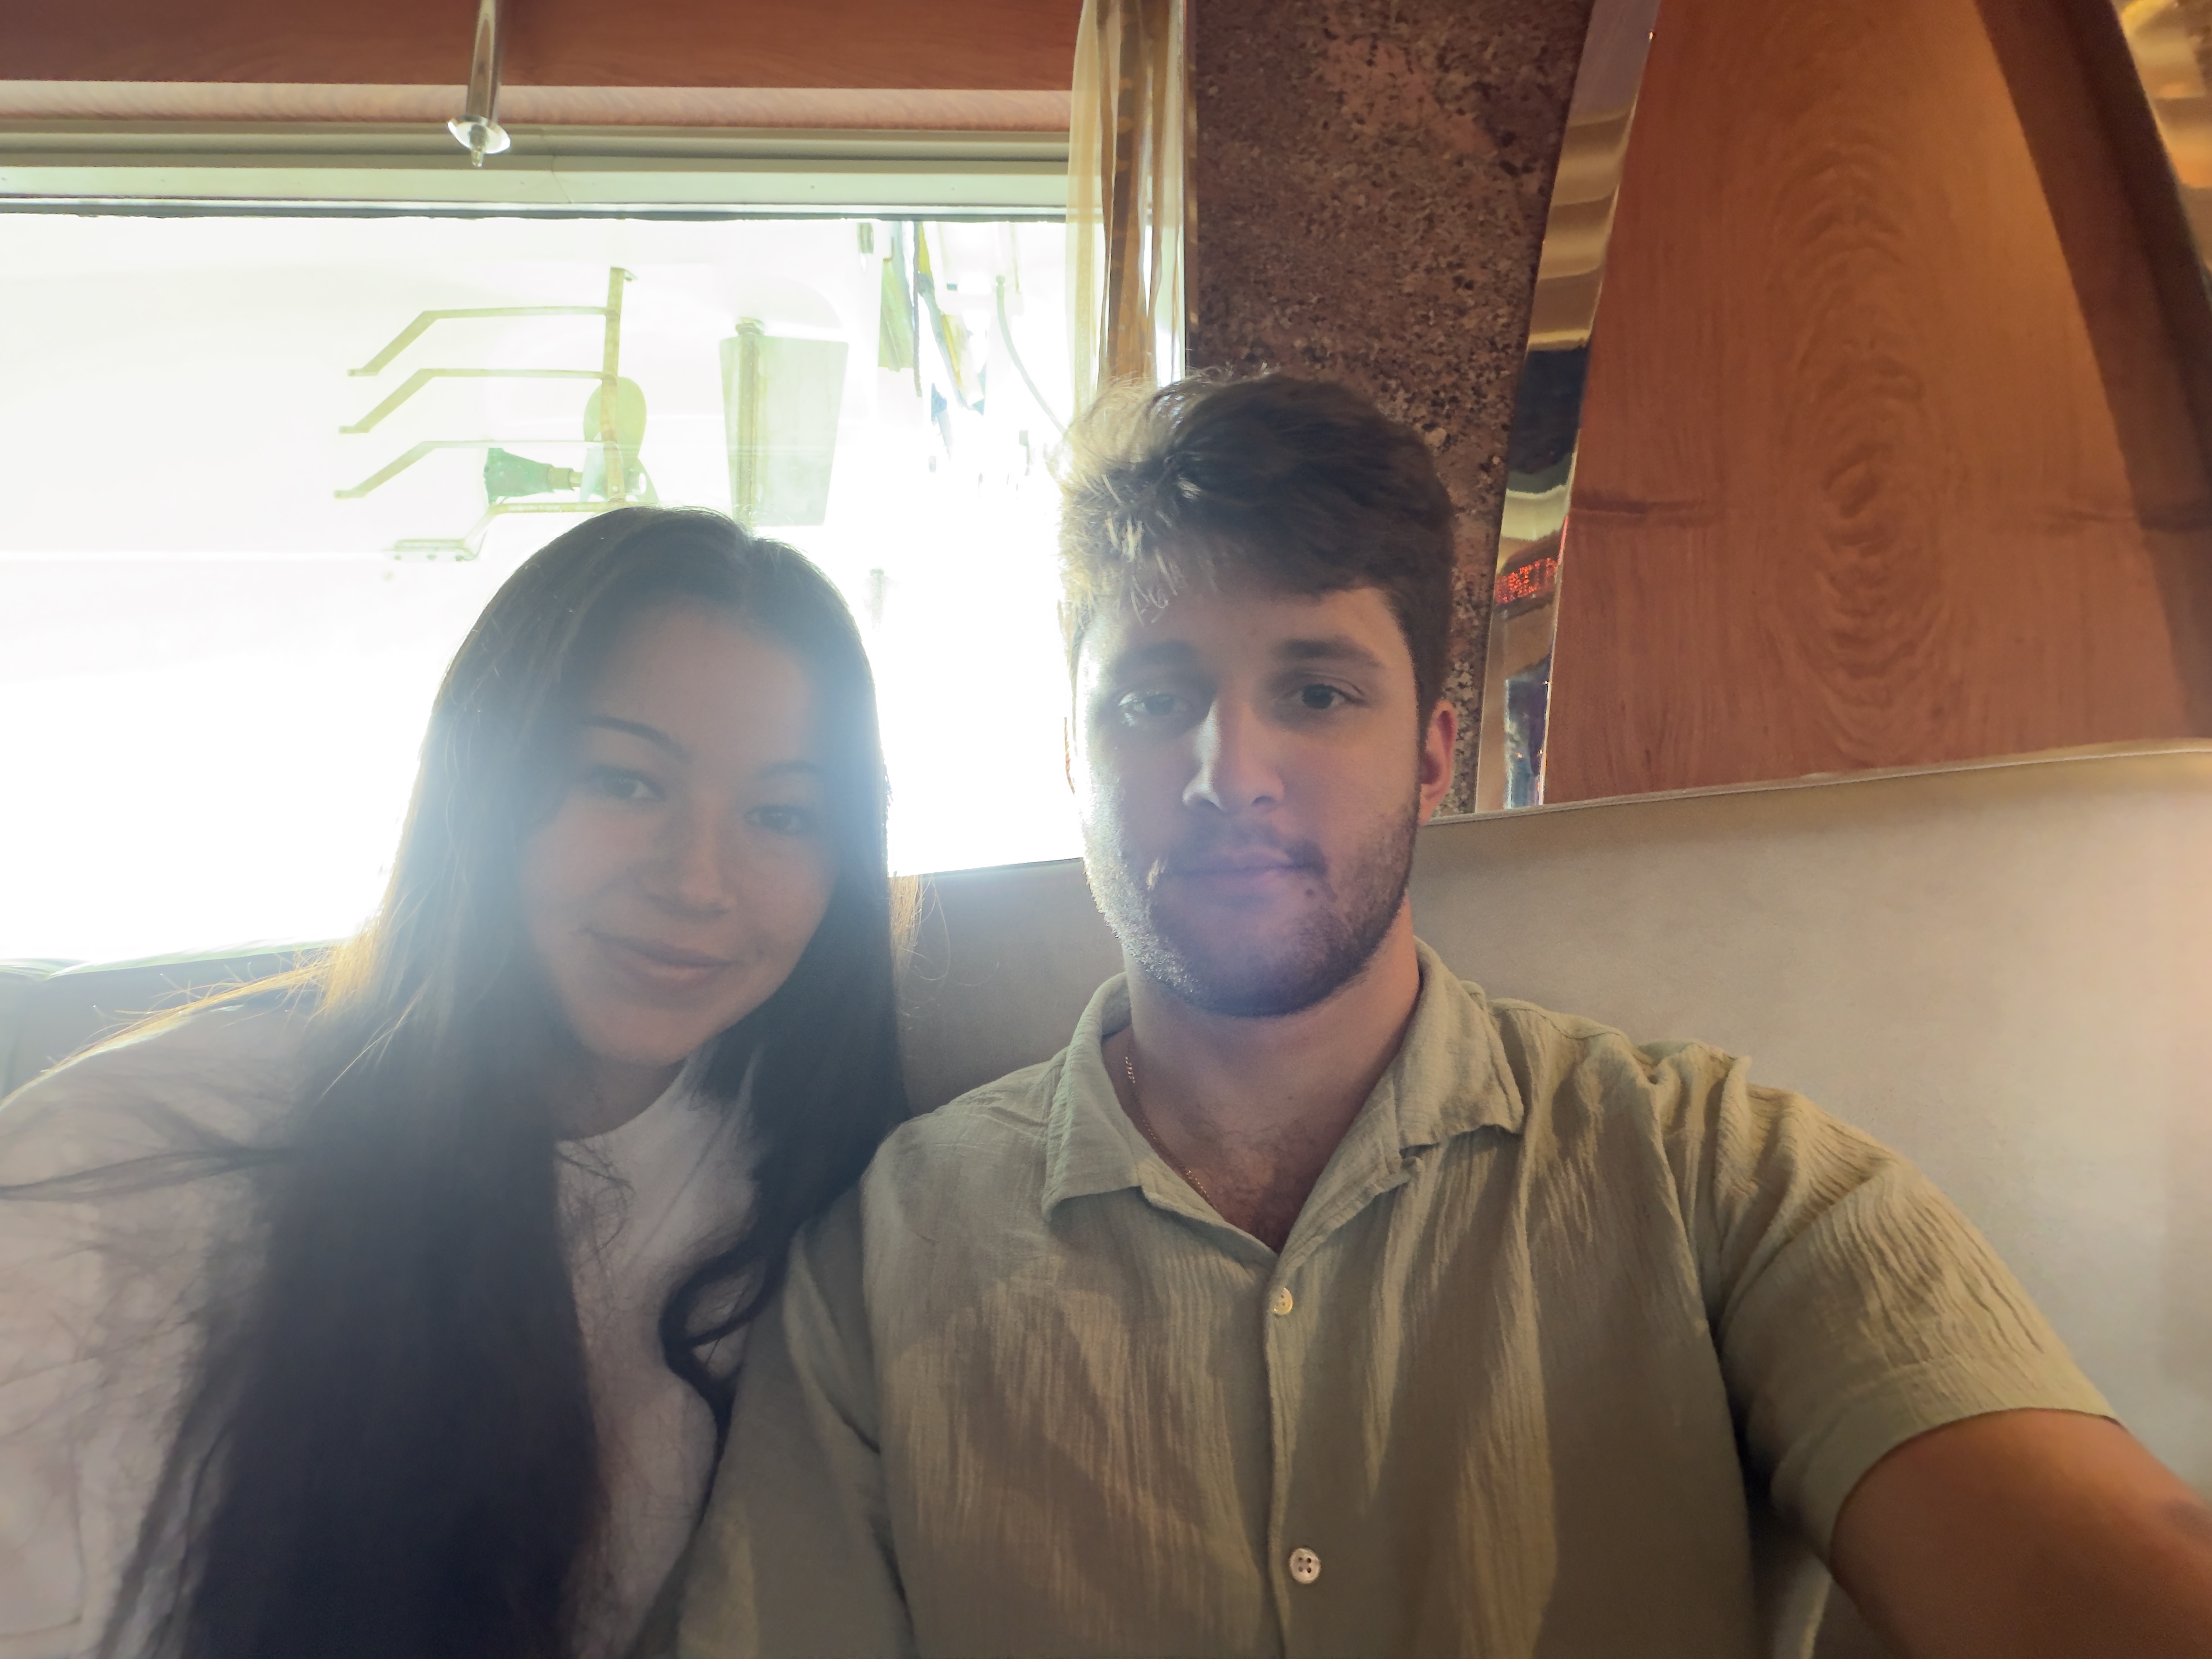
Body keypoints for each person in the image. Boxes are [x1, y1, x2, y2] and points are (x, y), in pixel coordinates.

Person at [668, 377, 2212, 1659]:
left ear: (1430, 754)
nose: (1227, 774)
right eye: (1149, 699)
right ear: (1071, 760)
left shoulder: (1720, 1179)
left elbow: (2074, 1563)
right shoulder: (881, 1252)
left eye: (1317, 692)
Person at [0, 507, 907, 1659]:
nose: (697, 881)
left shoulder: (818, 1204)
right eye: (625, 781)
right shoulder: (117, 1164)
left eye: (782, 814)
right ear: (482, 783)